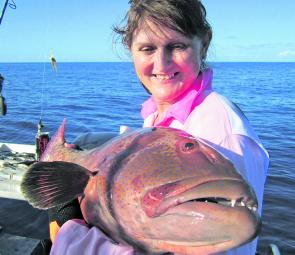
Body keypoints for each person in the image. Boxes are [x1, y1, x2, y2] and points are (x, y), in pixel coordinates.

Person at [47, 0, 269, 254]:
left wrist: (71, 230)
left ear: (204, 43)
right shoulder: (156, 116)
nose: (162, 65)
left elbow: (228, 236)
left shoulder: (221, 128)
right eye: (147, 48)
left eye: (177, 46)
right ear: (130, 50)